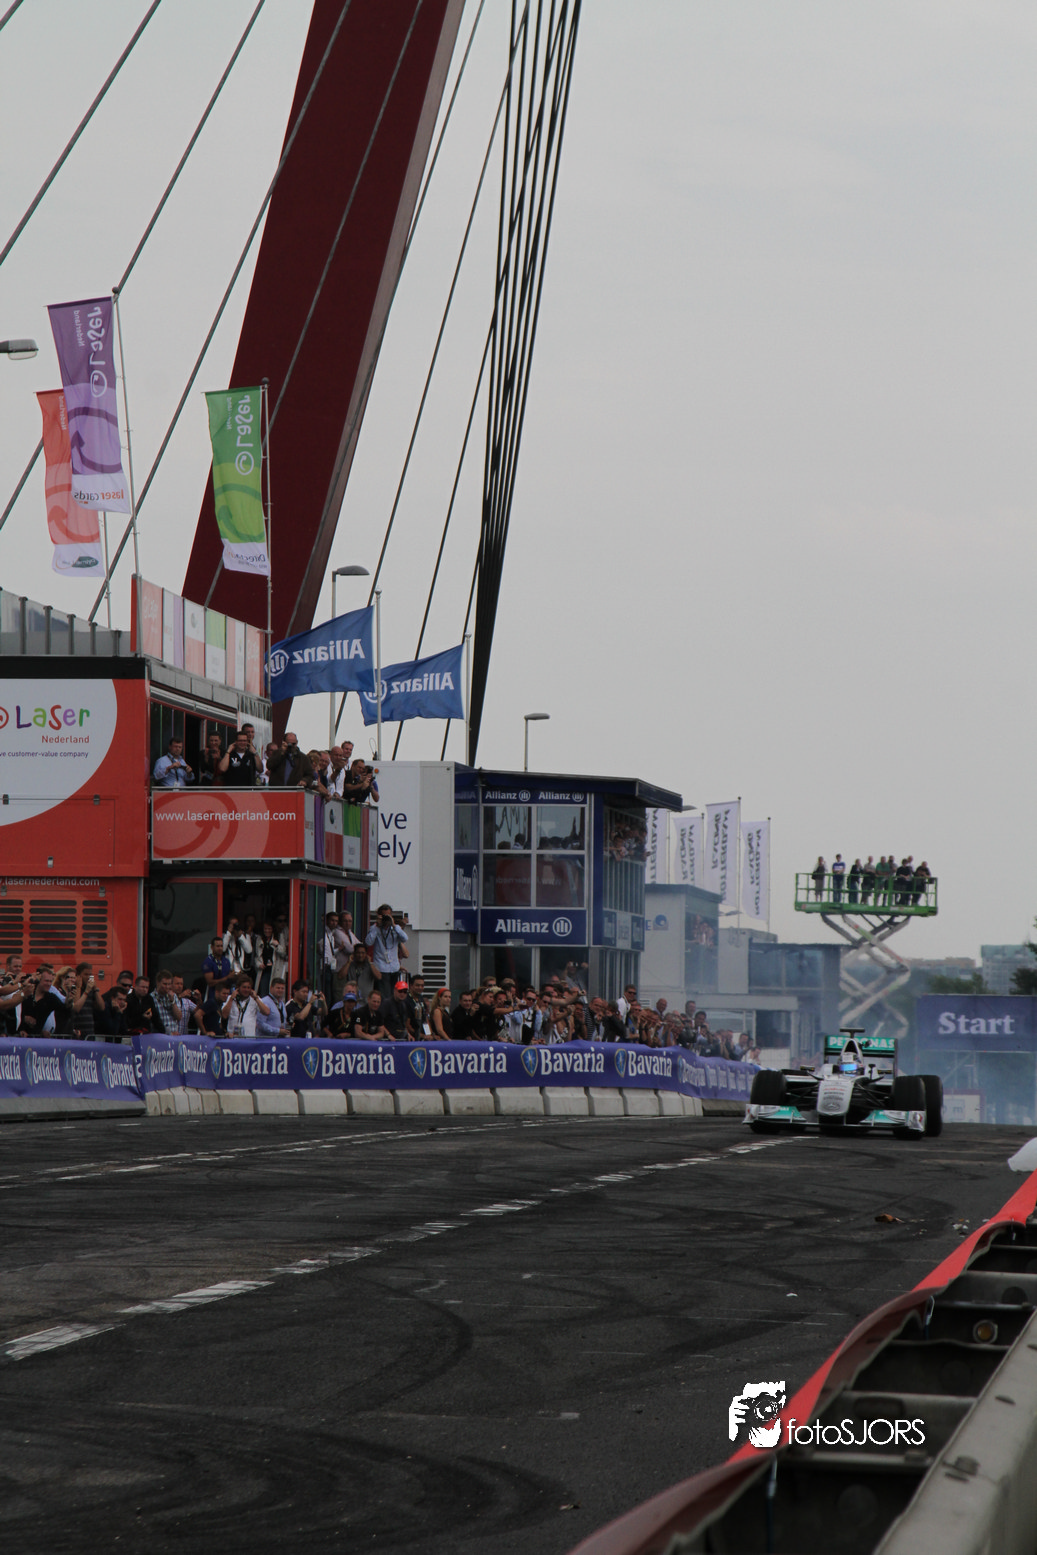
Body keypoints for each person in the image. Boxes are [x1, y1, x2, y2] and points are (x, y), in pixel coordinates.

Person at [365, 904, 409, 998]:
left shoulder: (395, 929)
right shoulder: (375, 928)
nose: (386, 918)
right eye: (383, 915)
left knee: (393, 994)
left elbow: (405, 938)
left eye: (388, 915)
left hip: (394, 967)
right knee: (383, 995)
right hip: (381, 967)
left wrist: (394, 925)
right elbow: (368, 942)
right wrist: (377, 926)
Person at [151, 969, 183, 1036]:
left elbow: (179, 1017)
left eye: (169, 984)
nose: (167, 987)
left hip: (174, 1035)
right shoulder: (151, 998)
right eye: (165, 984)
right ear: (158, 983)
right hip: (159, 1035)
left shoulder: (173, 996)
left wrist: (172, 1001)